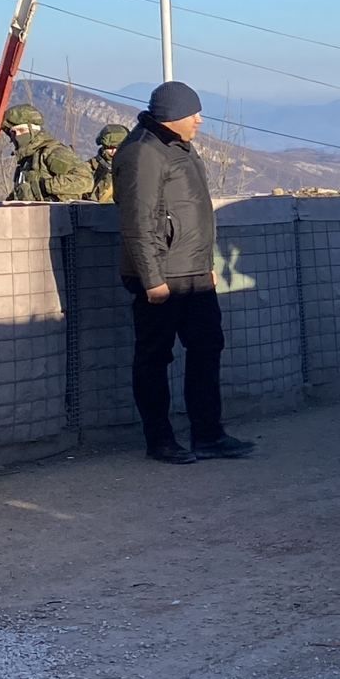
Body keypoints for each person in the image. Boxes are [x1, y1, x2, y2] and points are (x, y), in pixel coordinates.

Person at [114, 81, 253, 464]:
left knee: (207, 349)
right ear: (173, 116)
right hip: (161, 278)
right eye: (194, 113)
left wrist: (206, 267)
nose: (200, 120)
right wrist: (152, 279)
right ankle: (159, 440)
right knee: (155, 358)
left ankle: (208, 434)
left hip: (192, 273)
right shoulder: (143, 153)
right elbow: (138, 223)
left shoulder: (180, 148)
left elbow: (193, 216)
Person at [1, 104, 93, 202]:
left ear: (31, 130)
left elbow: (85, 180)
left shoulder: (52, 153)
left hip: (55, 215)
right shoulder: (28, 160)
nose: (14, 137)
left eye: (18, 131)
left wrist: (46, 186)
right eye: (12, 133)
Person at [89, 123, 128, 203]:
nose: (114, 151)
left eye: (118, 147)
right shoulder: (90, 167)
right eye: (110, 148)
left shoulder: (134, 169)